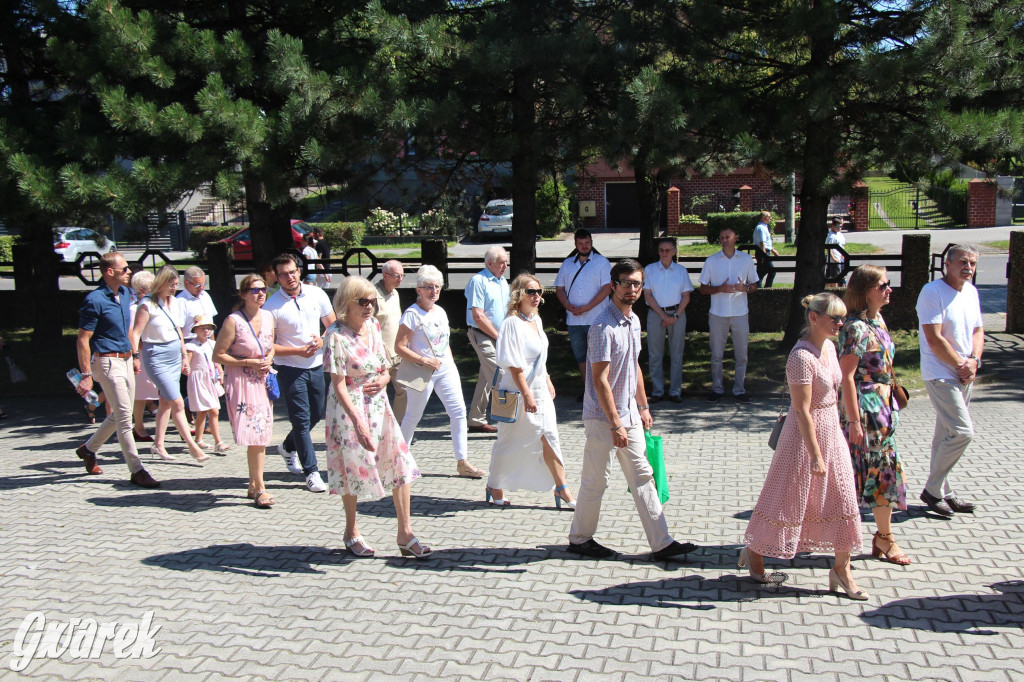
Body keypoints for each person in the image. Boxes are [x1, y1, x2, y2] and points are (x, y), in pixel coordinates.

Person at [566, 259, 696, 561]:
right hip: (604, 419)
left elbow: (634, 365)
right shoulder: (602, 327)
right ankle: (580, 539)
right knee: (596, 481)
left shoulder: (634, 320)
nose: (632, 289)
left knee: (643, 475)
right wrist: (615, 424)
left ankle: (662, 544)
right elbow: (599, 381)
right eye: (626, 283)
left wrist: (643, 405)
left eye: (637, 283)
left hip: (629, 415)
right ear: (613, 285)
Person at [740, 293, 866, 599]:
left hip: (832, 431)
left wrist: (852, 422)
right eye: (835, 318)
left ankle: (842, 568)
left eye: (842, 318)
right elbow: (802, 410)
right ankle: (754, 552)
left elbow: (837, 390)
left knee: (843, 496)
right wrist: (815, 455)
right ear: (814, 318)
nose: (840, 323)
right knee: (785, 496)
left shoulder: (831, 348)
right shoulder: (800, 357)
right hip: (803, 438)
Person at [324, 276, 431, 558]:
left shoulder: (372, 326)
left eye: (373, 301)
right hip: (349, 409)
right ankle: (352, 531)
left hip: (378, 405)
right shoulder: (335, 335)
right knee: (353, 470)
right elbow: (337, 384)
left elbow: (384, 366)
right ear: (346, 303)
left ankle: (405, 534)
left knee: (399, 463)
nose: (369, 307)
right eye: (363, 301)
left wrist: (384, 379)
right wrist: (357, 422)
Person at [839, 266, 910, 565]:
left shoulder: (878, 320)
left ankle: (884, 537)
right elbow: (846, 378)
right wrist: (854, 421)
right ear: (865, 291)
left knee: (885, 472)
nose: (888, 289)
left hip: (883, 411)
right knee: (854, 476)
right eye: (883, 285)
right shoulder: (854, 327)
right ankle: (840, 541)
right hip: (865, 413)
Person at [485, 274, 576, 508]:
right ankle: (494, 484)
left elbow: (540, 357)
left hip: (539, 390)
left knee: (549, 436)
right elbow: (514, 364)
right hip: (518, 390)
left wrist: (547, 378)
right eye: (530, 292)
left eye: (539, 291)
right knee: (511, 441)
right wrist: (527, 394)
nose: (536, 296)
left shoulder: (536, 319)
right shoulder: (511, 323)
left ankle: (562, 488)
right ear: (518, 294)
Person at [73, 252, 160, 488]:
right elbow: (83, 340)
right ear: (109, 272)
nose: (129, 272)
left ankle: (88, 449)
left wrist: (133, 355)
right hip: (106, 362)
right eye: (124, 269)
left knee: (120, 414)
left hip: (125, 360)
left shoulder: (123, 294)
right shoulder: (95, 300)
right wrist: (86, 376)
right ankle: (137, 469)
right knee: (124, 418)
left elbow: (126, 331)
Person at [395, 265, 484, 479]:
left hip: (445, 369)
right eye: (428, 287)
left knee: (459, 413)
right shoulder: (412, 315)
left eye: (437, 287)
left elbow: (444, 343)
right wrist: (424, 360)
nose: (433, 291)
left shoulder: (441, 311)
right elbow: (399, 346)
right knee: (413, 415)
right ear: (418, 290)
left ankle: (462, 462)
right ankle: (399, 460)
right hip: (421, 372)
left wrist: (450, 364)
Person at [916, 244, 983, 517]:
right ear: (948, 264)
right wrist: (960, 364)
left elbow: (978, 330)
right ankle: (932, 490)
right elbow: (934, 338)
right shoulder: (932, 292)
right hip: (941, 372)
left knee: (945, 434)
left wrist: (974, 361)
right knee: (962, 432)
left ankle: (945, 491)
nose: (968, 268)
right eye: (963, 262)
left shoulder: (971, 291)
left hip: (966, 372)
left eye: (973, 263)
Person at [265, 253, 337, 492]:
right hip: (289, 369)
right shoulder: (271, 306)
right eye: (283, 274)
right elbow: (269, 346)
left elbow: (333, 324)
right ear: (277, 278)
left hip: (316, 365)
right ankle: (312, 472)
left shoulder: (316, 293)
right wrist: (296, 350)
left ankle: (287, 447)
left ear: (299, 271)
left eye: (292, 271)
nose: (289, 277)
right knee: (301, 419)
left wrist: (322, 340)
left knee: (316, 413)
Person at [129, 265, 210, 464]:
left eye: (176, 285)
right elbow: (135, 333)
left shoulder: (175, 303)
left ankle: (158, 444)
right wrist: (135, 356)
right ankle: (192, 446)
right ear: (161, 284)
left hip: (174, 353)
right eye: (171, 285)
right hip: (155, 355)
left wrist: (184, 356)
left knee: (165, 401)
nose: (174, 288)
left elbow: (178, 331)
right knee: (177, 402)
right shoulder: (147, 305)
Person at [212, 274, 277, 508]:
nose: (260, 294)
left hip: (263, 380)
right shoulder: (233, 321)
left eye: (263, 290)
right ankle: (260, 488)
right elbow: (218, 354)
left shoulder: (269, 317)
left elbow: (270, 346)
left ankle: (253, 484)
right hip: (241, 380)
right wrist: (247, 363)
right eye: (254, 290)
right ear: (243, 294)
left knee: (260, 434)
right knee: (256, 436)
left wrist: (268, 358)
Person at [699, 226, 759, 403]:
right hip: (718, 313)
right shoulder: (712, 261)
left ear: (735, 238)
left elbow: (755, 285)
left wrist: (745, 288)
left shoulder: (746, 260)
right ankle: (717, 389)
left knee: (742, 355)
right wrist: (720, 289)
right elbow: (702, 288)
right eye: (722, 237)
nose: (724, 240)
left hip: (740, 313)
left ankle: (739, 390)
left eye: (728, 237)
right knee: (716, 354)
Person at [555, 229, 612, 401]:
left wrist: (587, 307)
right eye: (580, 243)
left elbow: (607, 288)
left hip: (597, 318)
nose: (584, 246)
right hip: (574, 320)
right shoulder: (567, 264)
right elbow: (559, 288)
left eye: (587, 243)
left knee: (599, 357)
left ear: (591, 242)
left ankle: (603, 391)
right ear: (575, 244)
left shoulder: (602, 262)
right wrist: (567, 305)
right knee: (581, 357)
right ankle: (590, 392)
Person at [465, 246, 511, 433]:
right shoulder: (478, 281)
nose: (505, 266)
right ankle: (508, 423)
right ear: (489, 263)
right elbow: (478, 316)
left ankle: (476, 420)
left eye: (506, 262)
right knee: (500, 377)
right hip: (482, 334)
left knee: (486, 378)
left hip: (499, 336)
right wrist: (498, 336)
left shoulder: (503, 282)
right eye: (502, 263)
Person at [643, 238, 693, 403]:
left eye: (667, 250)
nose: (664, 253)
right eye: (661, 250)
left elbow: (686, 297)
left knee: (677, 354)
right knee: (655, 354)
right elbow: (647, 295)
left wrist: (675, 316)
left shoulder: (681, 271)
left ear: (674, 251)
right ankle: (657, 391)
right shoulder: (650, 270)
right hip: (656, 313)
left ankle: (675, 391)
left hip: (678, 313)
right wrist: (664, 316)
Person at [186, 314, 230, 454]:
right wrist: (185, 366)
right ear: (196, 330)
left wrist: (221, 373)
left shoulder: (212, 344)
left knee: (202, 412)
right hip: (199, 380)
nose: (206, 331)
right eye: (202, 328)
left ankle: (198, 440)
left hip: (211, 380)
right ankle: (218, 442)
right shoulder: (191, 346)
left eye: (208, 328)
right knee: (213, 410)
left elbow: (216, 360)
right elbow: (187, 361)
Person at [375, 259, 407, 422]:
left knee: (404, 390)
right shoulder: (373, 295)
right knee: (379, 393)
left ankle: (398, 427)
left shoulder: (395, 293)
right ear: (385, 275)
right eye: (396, 276)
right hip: (380, 356)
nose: (400, 279)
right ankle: (378, 428)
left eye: (402, 275)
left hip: (398, 353)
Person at [129, 270, 159, 443]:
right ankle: (137, 426)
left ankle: (139, 426)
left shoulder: (152, 306)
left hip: (152, 352)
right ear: (141, 290)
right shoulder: (135, 309)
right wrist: (136, 355)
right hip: (142, 353)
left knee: (147, 392)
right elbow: (133, 334)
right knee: (141, 393)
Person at [753, 211, 778, 288]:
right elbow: (762, 242)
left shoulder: (764, 227)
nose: (770, 218)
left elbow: (766, 242)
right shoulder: (761, 228)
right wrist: (764, 256)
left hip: (764, 252)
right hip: (763, 252)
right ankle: (767, 289)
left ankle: (758, 289)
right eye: (769, 217)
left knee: (761, 273)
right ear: (763, 217)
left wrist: (772, 250)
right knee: (772, 271)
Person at [824, 217, 847, 287]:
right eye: (838, 226)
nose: (840, 228)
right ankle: (835, 291)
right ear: (833, 226)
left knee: (842, 276)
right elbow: (829, 248)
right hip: (834, 261)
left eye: (841, 226)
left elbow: (842, 245)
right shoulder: (831, 236)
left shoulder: (839, 234)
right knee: (835, 278)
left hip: (840, 258)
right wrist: (834, 259)